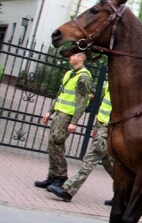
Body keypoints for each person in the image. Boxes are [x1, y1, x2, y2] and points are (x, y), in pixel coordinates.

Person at [47, 82, 114, 204]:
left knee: (91, 157)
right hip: (102, 125)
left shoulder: (127, 81)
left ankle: (68, 190)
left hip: (110, 127)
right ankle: (126, 191)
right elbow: (104, 106)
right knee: (108, 162)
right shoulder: (112, 79)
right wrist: (96, 126)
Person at [35, 52, 93, 190]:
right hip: (59, 113)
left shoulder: (84, 76)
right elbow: (60, 94)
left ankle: (61, 177)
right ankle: (52, 176)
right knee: (52, 144)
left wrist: (74, 121)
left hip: (68, 116)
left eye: (73, 55)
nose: (70, 57)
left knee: (57, 143)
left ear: (80, 58)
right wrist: (50, 111)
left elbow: (83, 101)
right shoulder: (69, 74)